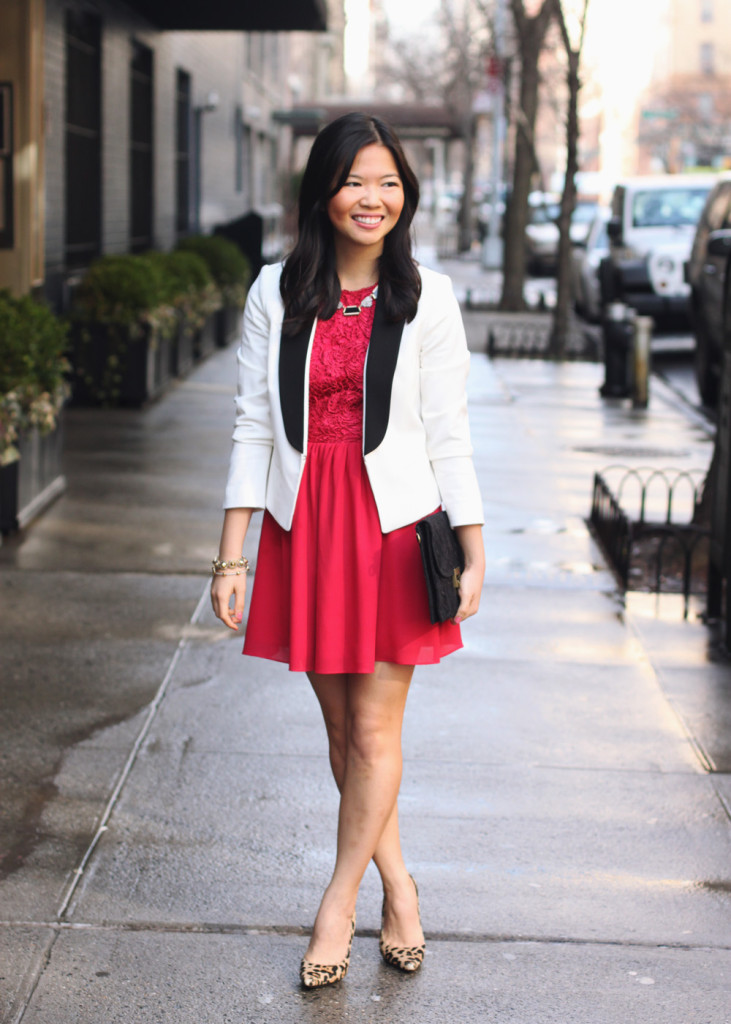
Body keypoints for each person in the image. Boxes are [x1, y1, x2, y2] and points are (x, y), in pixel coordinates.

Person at [211, 112, 485, 989]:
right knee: (343, 733)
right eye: (355, 182)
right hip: (307, 523)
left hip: (394, 525)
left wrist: (472, 550)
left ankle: (337, 904)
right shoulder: (275, 290)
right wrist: (232, 556)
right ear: (323, 193)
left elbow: (450, 431)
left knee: (374, 730)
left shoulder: (427, 296)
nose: (373, 199)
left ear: (404, 195)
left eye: (388, 183)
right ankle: (400, 887)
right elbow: (253, 423)